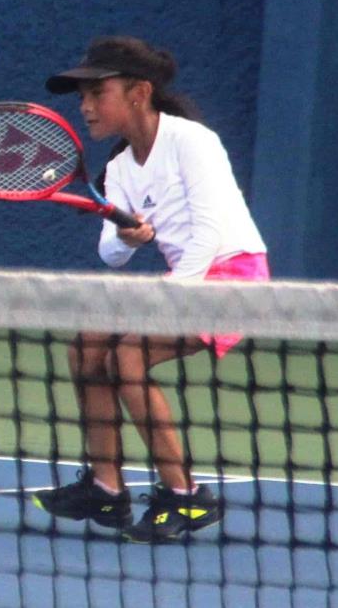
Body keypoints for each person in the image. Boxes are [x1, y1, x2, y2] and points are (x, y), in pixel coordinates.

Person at [32, 35, 269, 543]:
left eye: (98, 93)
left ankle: (185, 496)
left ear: (138, 92)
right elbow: (110, 255)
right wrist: (125, 235)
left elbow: (208, 230)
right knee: (88, 344)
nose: (85, 106)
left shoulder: (192, 142)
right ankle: (106, 488)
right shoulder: (118, 168)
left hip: (234, 276)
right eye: (83, 96)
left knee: (128, 357)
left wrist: (175, 292)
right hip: (186, 279)